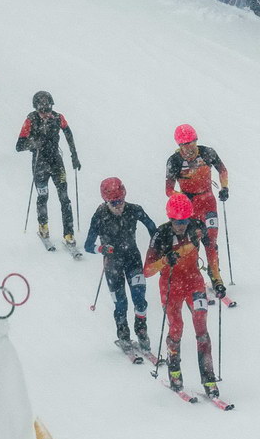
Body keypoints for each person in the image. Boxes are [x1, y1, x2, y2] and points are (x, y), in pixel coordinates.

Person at [144, 193, 218, 398]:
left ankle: (209, 378)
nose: (181, 226)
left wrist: (217, 279)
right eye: (177, 222)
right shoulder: (161, 234)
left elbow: (211, 250)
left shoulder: (197, 226)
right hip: (171, 285)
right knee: (176, 327)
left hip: (194, 280)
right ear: (170, 218)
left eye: (184, 221)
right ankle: (174, 371)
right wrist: (165, 260)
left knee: (201, 324)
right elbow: (147, 270)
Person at [84, 178, 155, 355]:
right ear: (106, 201)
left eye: (121, 201)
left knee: (140, 298)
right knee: (121, 303)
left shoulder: (134, 209)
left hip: (133, 260)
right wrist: (101, 248)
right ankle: (123, 334)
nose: (119, 206)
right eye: (114, 203)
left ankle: (141, 331)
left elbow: (153, 229)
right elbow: (87, 246)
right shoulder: (99, 215)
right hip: (112, 264)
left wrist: (157, 247)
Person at [164, 124, 231, 298]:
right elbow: (168, 189)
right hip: (190, 207)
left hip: (208, 202)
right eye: (185, 145)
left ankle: (215, 276)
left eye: (192, 142)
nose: (190, 148)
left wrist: (224, 187)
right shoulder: (174, 161)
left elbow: (222, 170)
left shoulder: (207, 152)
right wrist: (182, 198)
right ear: (179, 145)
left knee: (211, 240)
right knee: (193, 242)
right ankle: (193, 277)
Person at [16, 91, 81, 249]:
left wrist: (74, 155)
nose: (45, 113)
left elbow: (68, 134)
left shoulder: (58, 118)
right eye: (42, 110)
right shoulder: (30, 120)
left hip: (56, 162)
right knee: (43, 196)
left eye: (48, 109)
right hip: (39, 164)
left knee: (64, 198)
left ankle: (69, 233)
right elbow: (19, 145)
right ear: (36, 108)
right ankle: (43, 227)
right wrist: (34, 143)